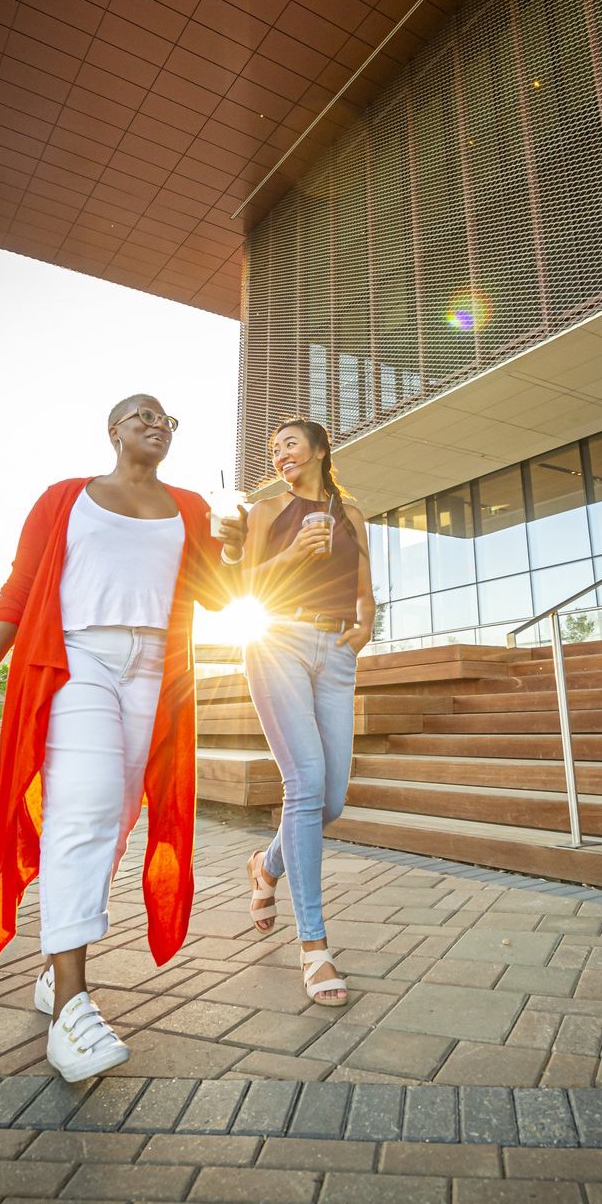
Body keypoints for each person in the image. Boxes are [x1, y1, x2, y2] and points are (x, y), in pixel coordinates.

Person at [0, 395, 245, 1081]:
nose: (158, 423)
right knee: (82, 810)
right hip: (75, 659)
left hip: (155, 671)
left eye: (169, 419)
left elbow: (219, 597)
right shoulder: (66, 497)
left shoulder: (188, 505)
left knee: (114, 823)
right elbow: (21, 588)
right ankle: (71, 1010)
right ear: (114, 430)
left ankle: (52, 967)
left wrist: (232, 548)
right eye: (143, 414)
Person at [240, 418, 375, 1006]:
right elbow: (241, 587)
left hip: (336, 651)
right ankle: (314, 946)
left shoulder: (353, 516)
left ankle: (266, 866)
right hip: (278, 640)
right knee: (305, 785)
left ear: (320, 450)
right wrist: (294, 552)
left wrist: (366, 627)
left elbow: (366, 586)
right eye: (273, 449)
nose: (280, 455)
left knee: (334, 798)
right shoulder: (267, 513)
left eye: (289, 443)